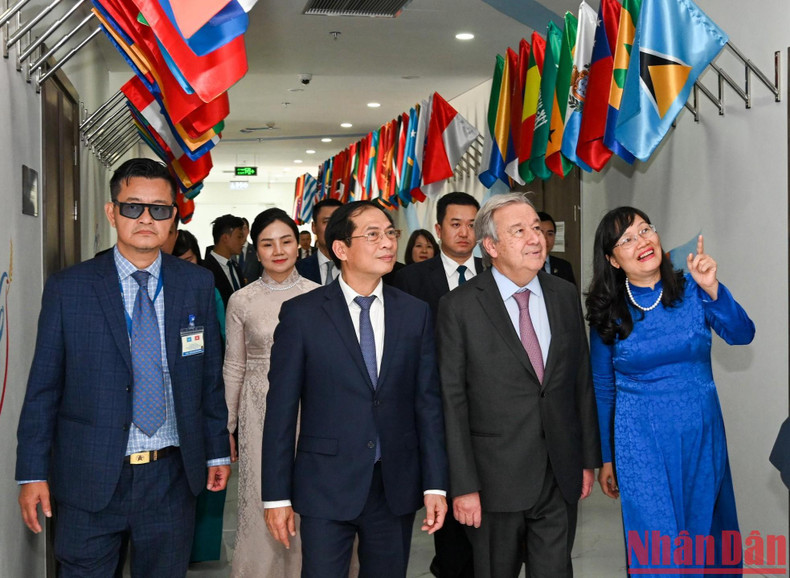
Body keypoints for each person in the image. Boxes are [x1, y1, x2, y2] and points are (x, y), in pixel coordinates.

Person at [15, 158, 231, 577]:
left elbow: (208, 378)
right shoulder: (70, 288)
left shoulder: (196, 284)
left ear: (173, 218)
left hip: (171, 475)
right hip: (90, 476)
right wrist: (32, 471)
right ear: (111, 212)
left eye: (160, 209)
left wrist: (217, 449)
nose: (147, 218)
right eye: (133, 207)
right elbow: (43, 388)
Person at [262, 200, 448, 578]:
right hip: (325, 482)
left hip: (393, 483)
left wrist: (435, 485)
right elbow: (280, 410)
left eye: (391, 233)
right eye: (373, 234)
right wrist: (276, 496)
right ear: (341, 249)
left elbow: (427, 404)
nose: (388, 243)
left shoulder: (414, 313)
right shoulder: (303, 314)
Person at [437, 193, 600, 578]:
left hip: (559, 471)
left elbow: (580, 380)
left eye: (536, 229)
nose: (535, 238)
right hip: (495, 479)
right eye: (519, 231)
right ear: (491, 246)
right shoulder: (459, 307)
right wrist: (462, 486)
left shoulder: (562, 295)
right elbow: (452, 400)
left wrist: (586, 459)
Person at [586, 207, 755, 575]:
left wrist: (713, 288)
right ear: (612, 259)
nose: (641, 241)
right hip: (640, 442)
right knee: (657, 547)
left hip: (700, 433)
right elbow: (602, 387)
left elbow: (743, 335)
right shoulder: (607, 311)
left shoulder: (693, 288)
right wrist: (607, 457)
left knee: (701, 536)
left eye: (645, 229)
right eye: (626, 239)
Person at [223, 209, 319, 576]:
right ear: (256, 250)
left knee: (307, 500)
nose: (278, 250)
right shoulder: (241, 301)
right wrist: (226, 427)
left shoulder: (320, 296)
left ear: (299, 245)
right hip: (258, 412)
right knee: (263, 498)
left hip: (310, 411)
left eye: (286, 241)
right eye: (267, 243)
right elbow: (234, 367)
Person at [394, 191, 482, 577]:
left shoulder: (497, 270)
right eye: (455, 224)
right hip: (434, 409)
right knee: (448, 511)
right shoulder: (409, 280)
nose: (464, 233)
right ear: (438, 228)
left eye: (472, 225)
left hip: (488, 411)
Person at [171, 229, 228, 564]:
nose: (184, 267)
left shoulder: (205, 290)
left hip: (200, 394)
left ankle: (200, 550)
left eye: (189, 260)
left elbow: (217, 345)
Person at [203, 214, 247, 308]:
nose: (242, 242)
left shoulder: (235, 266)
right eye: (239, 237)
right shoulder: (205, 269)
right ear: (225, 238)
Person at [296, 198, 343, 284]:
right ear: (314, 227)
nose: (333, 228)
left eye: (338, 222)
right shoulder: (297, 270)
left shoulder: (359, 268)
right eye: (327, 222)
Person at [537, 212, 576, 285]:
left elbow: (572, 295)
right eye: (541, 233)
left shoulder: (564, 267)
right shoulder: (523, 267)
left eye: (550, 234)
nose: (545, 239)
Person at [238, 217, 262, 284]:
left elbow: (263, 274)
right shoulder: (229, 251)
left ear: (248, 231)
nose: (241, 231)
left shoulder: (256, 250)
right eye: (239, 229)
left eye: (244, 228)